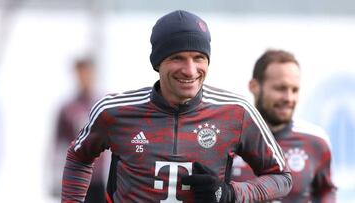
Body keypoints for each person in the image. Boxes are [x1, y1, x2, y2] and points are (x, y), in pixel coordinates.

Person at [61, 10, 292, 203]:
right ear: (157, 62)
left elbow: (281, 177)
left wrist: (230, 193)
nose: (190, 70)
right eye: (177, 58)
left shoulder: (236, 112)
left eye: (199, 58)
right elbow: (79, 157)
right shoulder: (113, 111)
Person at [231, 49, 337, 202]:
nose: (289, 98)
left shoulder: (316, 141)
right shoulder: (228, 138)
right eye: (280, 88)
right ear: (254, 86)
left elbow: (326, 191)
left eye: (295, 90)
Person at [53, 57, 106, 202]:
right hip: (75, 177)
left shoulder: (103, 106)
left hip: (99, 179)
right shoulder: (67, 109)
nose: (84, 78)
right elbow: (58, 144)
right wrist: (55, 177)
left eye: (87, 73)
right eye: (81, 74)